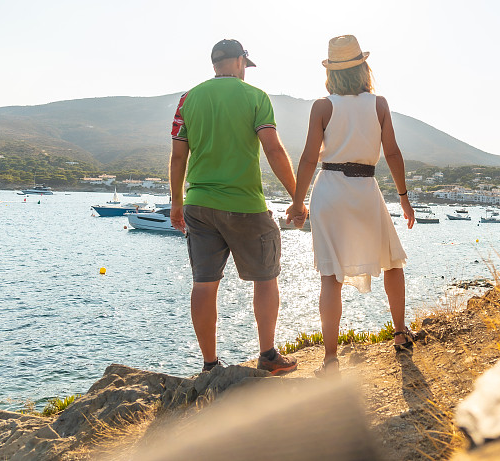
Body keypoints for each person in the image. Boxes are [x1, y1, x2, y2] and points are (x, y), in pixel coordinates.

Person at [169, 39, 304, 375]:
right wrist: (297, 198)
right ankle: (268, 355)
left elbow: (178, 155)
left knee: (204, 283)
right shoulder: (255, 97)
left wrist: (176, 202)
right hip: (244, 203)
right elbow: (272, 150)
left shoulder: (188, 99)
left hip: (198, 204)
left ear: (215, 64)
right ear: (241, 61)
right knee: (266, 277)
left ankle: (210, 366)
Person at [286, 35, 416, 377]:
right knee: (392, 262)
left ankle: (331, 360)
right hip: (365, 188)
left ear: (332, 72)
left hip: (329, 190)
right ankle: (400, 333)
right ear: (363, 68)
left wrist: (298, 203)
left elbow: (309, 158)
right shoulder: (379, 104)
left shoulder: (322, 106)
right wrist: (403, 197)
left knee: (331, 276)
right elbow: (392, 153)